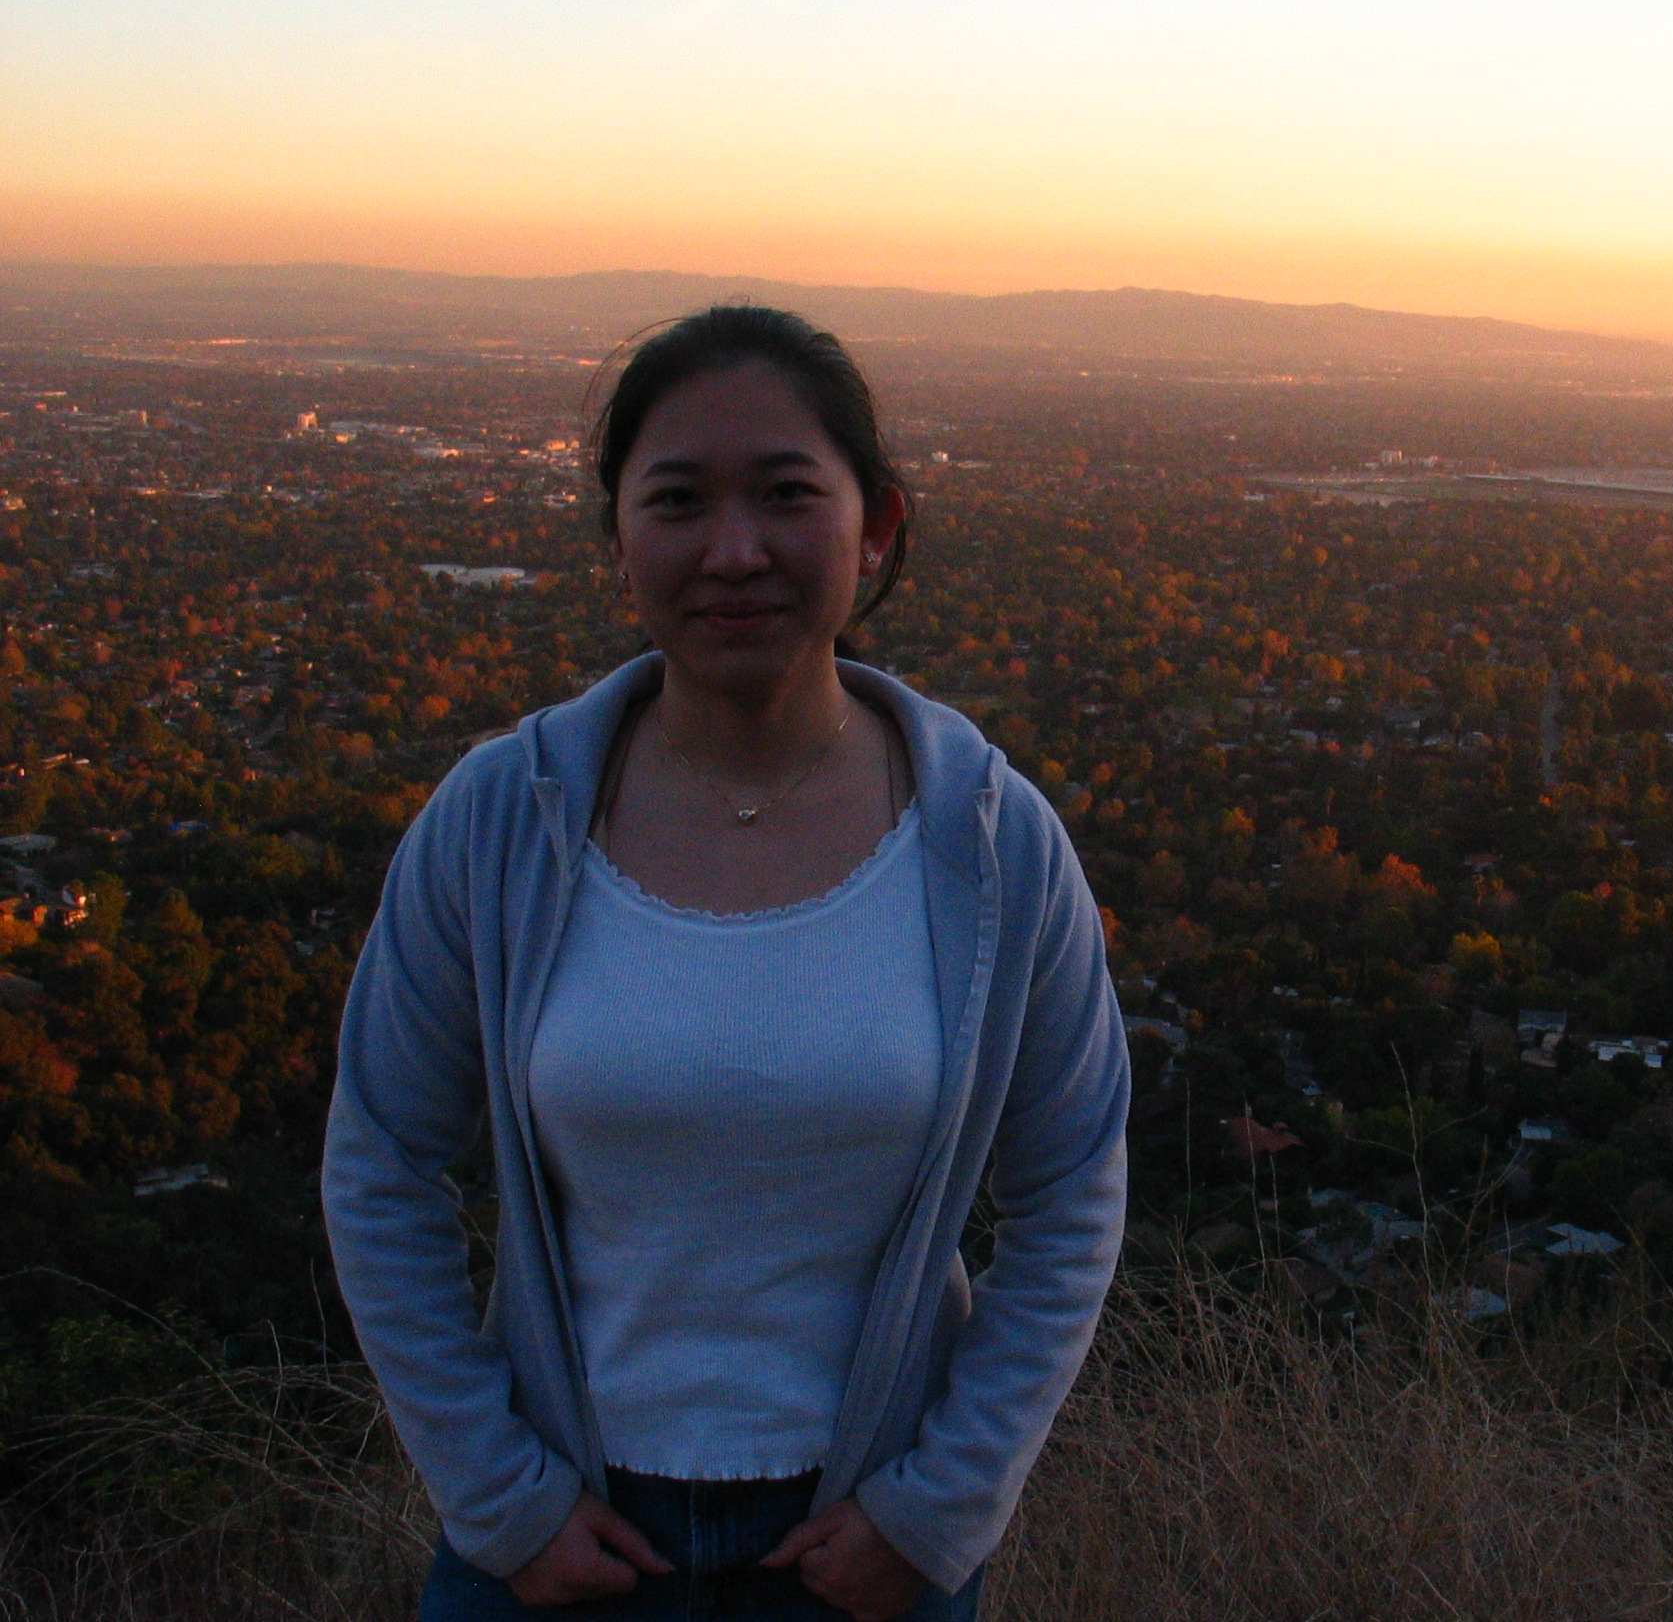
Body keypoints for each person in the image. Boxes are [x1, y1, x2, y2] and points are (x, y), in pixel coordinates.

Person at [322, 306, 1130, 1621]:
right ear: (618, 539)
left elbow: (1072, 1190)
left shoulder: (990, 844)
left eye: (787, 494)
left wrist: (939, 1508)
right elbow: (381, 1161)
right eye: (680, 500)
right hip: (559, 1544)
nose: (734, 550)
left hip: (863, 1552)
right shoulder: (502, 822)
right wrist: (501, 1499)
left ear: (877, 526)